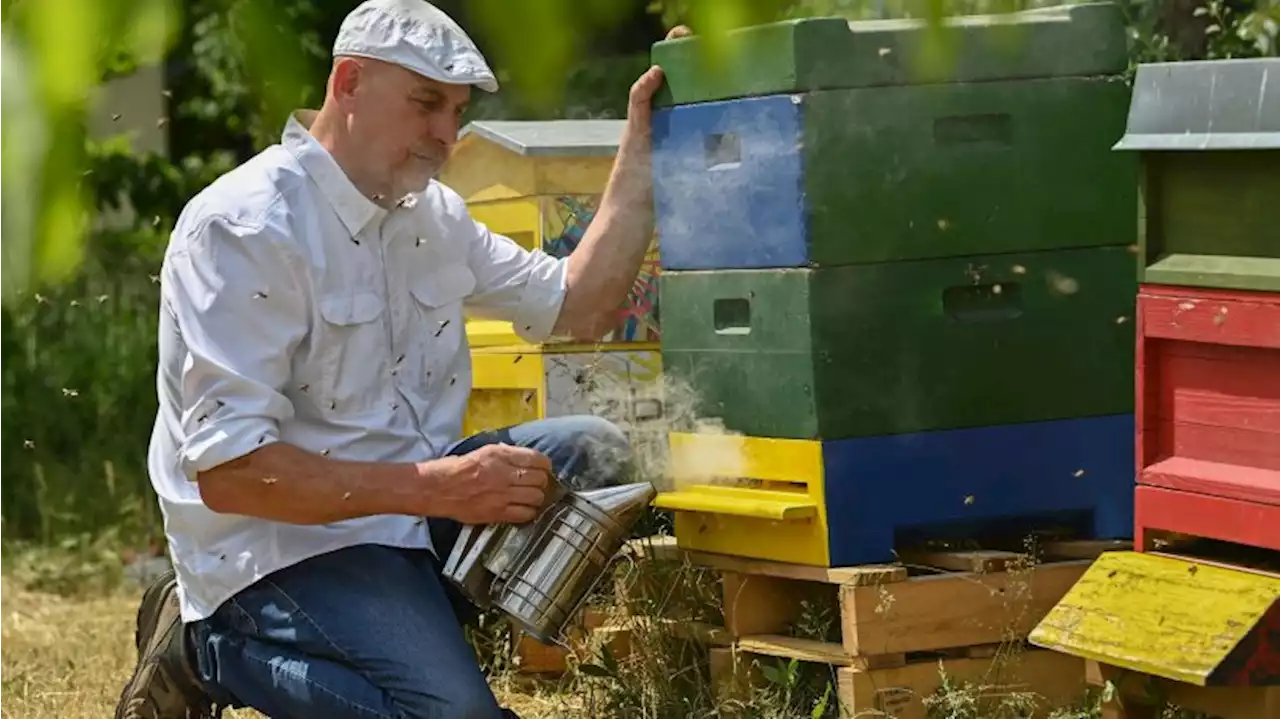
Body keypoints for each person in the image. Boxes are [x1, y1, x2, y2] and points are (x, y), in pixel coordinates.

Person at [113, 1, 691, 717]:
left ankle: (424, 629)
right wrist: (440, 489)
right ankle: (206, 646)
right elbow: (234, 476)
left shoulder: (432, 215)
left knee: (591, 453)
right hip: (277, 544)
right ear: (349, 83)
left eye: (456, 110)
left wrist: (646, 140)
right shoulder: (245, 227)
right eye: (426, 105)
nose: (447, 134)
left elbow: (580, 303)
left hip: (403, 516)